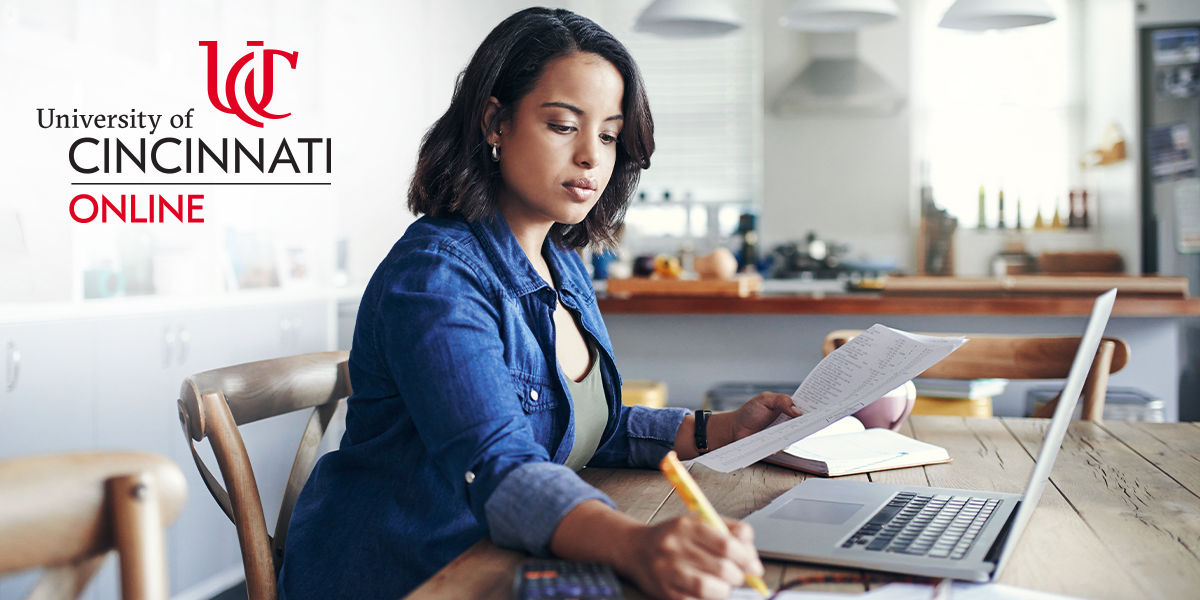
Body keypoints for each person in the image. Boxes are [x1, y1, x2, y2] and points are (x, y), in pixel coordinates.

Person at [278, 7, 799, 599]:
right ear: (495, 122)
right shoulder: (436, 278)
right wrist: (635, 544)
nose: (591, 156)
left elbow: (581, 428)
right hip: (410, 575)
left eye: (607, 134)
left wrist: (719, 429)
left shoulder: (564, 264)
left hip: (499, 560)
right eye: (561, 125)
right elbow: (499, 461)